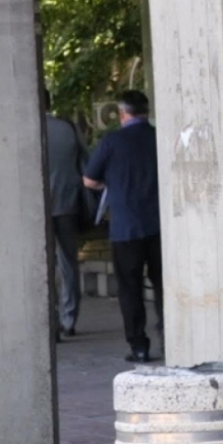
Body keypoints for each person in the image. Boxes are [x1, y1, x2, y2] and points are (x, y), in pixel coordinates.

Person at [83, 90, 163, 363]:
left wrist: (112, 184)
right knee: (164, 285)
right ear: (146, 111)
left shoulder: (111, 142)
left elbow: (89, 180)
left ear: (122, 113)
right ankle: (171, 338)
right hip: (160, 226)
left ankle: (139, 346)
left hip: (126, 227)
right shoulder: (160, 138)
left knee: (130, 289)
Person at [44, 91, 87, 339]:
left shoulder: (25, 129)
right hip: (67, 203)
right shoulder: (67, 128)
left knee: (44, 264)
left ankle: (50, 321)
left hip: (38, 208)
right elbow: (85, 163)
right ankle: (69, 319)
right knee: (68, 262)